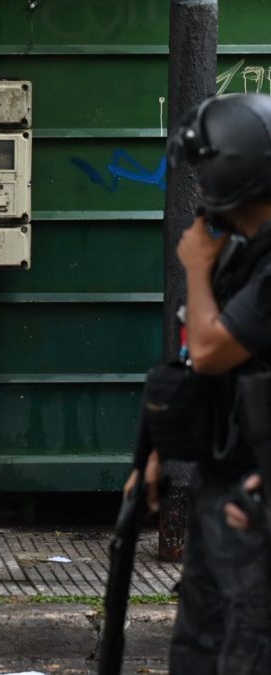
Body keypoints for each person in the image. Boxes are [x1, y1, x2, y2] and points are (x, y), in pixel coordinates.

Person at [125, 94, 271, 674]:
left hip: (253, 499)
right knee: (201, 645)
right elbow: (201, 375)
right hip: (226, 476)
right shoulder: (244, 254)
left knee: (245, 647)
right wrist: (160, 454)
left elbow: (210, 350)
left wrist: (194, 267)